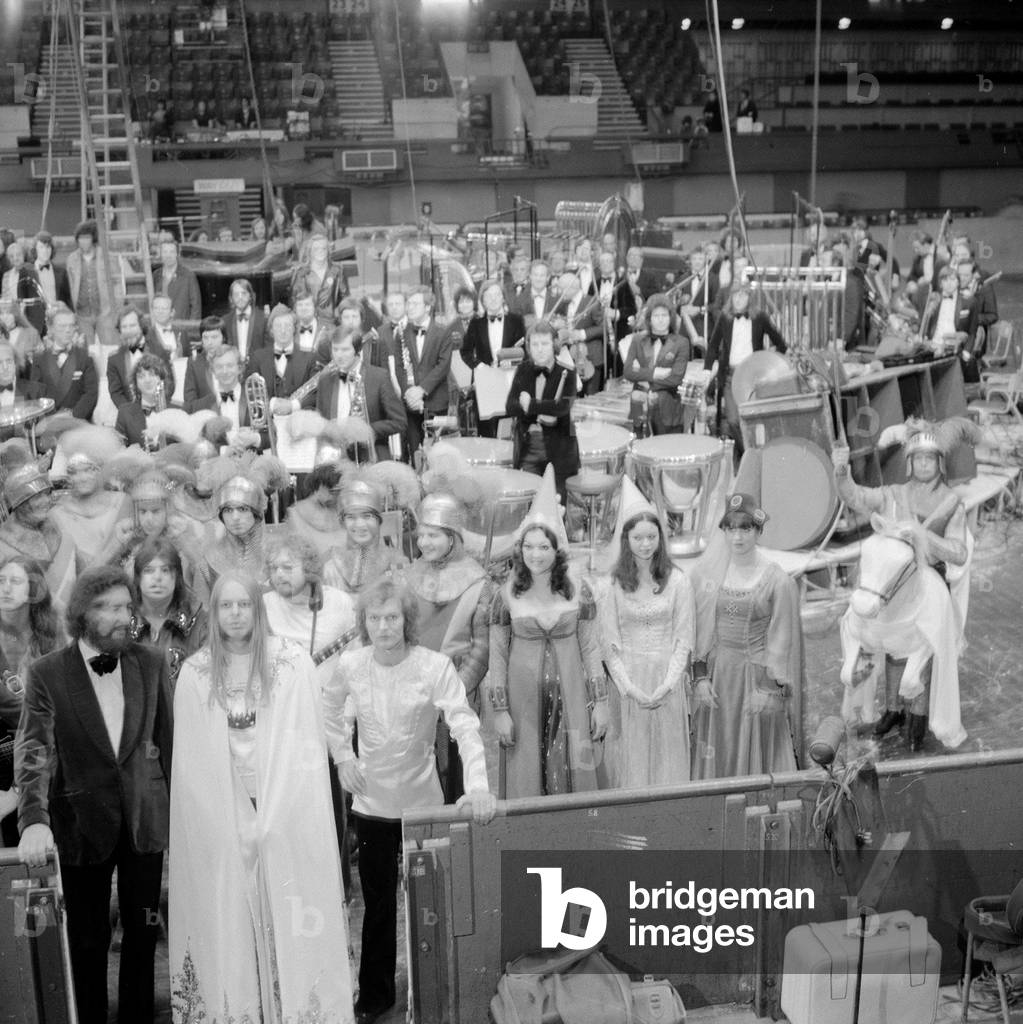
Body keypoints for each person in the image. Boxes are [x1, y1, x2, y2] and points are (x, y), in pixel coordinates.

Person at [169, 573, 354, 1024]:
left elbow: (305, 746)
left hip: (285, 807)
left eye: (244, 605)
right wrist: (223, 817)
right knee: (233, 912)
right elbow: (191, 762)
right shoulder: (195, 672)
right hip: (223, 807)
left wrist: (278, 813)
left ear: (258, 608)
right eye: (225, 606)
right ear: (214, 613)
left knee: (290, 909)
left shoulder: (291, 662)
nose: (235, 615)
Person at [323, 577, 495, 1024]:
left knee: (429, 905)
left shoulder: (433, 666)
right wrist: (342, 757)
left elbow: (464, 725)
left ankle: (435, 993)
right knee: (377, 907)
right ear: (364, 622)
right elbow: (329, 710)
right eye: (374, 618)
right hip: (372, 806)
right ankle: (376, 996)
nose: (383, 627)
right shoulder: (350, 665)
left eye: (392, 617)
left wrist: (477, 786)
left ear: (406, 620)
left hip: (422, 808)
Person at [16, 565, 172, 1024]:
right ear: (83, 614)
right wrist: (34, 820)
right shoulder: (47, 673)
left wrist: (182, 816)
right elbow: (33, 752)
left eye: (126, 607)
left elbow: (170, 742)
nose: (122, 617)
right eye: (108, 608)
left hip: (145, 821)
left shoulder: (151, 662)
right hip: (79, 824)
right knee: (87, 941)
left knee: (144, 934)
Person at [832, 418, 974, 751]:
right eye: (918, 458)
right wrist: (841, 472)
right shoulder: (893, 494)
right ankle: (893, 709)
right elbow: (856, 497)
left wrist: (925, 537)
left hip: (929, 577)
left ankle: (918, 717)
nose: (923, 464)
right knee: (886, 642)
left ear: (940, 463)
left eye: (929, 459)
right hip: (892, 582)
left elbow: (959, 552)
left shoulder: (951, 503)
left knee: (924, 643)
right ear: (909, 462)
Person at [487, 470, 608, 798]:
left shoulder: (579, 591)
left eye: (543, 546)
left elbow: (591, 648)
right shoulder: (505, 595)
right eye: (528, 546)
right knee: (526, 774)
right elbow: (497, 657)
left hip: (572, 699)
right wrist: (500, 710)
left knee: (573, 772)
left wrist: (600, 703)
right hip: (522, 703)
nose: (535, 554)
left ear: (558, 550)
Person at [690, 493, 801, 780]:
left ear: (758, 531)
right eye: (731, 529)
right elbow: (699, 626)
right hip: (718, 678)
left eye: (746, 528)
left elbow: (782, 639)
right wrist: (700, 676)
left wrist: (767, 689)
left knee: (755, 755)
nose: (737, 537)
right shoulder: (710, 573)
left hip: (755, 679)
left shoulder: (777, 580)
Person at [599, 480, 694, 789]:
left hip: (667, 679)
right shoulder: (613, 585)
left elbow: (684, 639)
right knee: (633, 757)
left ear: (660, 539)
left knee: (668, 757)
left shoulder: (678, 581)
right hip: (629, 681)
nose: (645, 545)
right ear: (626, 539)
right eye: (637, 538)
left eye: (651, 537)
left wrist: (668, 684)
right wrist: (629, 689)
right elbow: (608, 645)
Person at [408, 492, 493, 802]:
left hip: (458, 694)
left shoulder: (478, 582)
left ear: (452, 537)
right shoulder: (410, 576)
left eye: (433, 535)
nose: (424, 543)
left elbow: (481, 649)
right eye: (421, 535)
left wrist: (454, 691)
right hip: (414, 694)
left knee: (453, 776)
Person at [0, 556, 64, 846]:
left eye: (15, 581)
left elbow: (59, 701)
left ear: (33, 590)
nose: (5, 588)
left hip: (42, 752)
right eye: (1, 580)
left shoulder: (51, 635)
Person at [286, 327, 406, 464]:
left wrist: (366, 430)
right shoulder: (325, 380)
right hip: (334, 461)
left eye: (345, 350)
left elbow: (400, 422)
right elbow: (322, 419)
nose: (339, 355)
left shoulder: (379, 377)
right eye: (335, 349)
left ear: (357, 350)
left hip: (372, 459)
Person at [703, 286, 786, 460]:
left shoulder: (760, 317)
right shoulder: (724, 318)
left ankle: (753, 457)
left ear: (750, 298)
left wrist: (769, 363)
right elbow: (713, 345)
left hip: (753, 377)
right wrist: (707, 369)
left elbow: (780, 342)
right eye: (735, 296)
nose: (738, 299)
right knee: (733, 420)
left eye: (743, 295)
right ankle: (752, 456)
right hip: (730, 375)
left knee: (752, 418)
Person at [506, 321, 580, 502]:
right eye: (535, 344)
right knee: (530, 505)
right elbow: (510, 406)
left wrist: (530, 405)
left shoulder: (568, 373)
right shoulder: (522, 370)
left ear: (554, 345)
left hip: (560, 453)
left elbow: (562, 408)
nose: (539, 349)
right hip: (528, 449)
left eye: (545, 344)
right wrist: (543, 406)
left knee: (556, 506)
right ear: (529, 347)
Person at [129, 536, 206, 688]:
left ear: (177, 577)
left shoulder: (199, 621)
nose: (157, 577)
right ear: (138, 577)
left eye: (165, 570)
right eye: (149, 570)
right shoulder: (123, 620)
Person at [48, 425, 129, 568]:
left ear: (103, 469)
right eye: (73, 472)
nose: (81, 478)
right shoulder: (58, 515)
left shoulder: (122, 502)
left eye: (89, 470)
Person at [0, 462, 77, 610]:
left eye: (47, 494)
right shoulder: (3, 545)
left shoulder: (57, 527)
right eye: (37, 497)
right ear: (18, 503)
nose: (46, 501)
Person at [392, 286, 454, 461]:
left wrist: (422, 390)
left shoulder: (443, 332)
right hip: (411, 404)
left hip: (436, 400)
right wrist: (409, 393)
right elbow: (399, 367)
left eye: (415, 304)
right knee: (415, 453)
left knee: (438, 454)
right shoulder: (402, 333)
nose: (410, 307)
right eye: (409, 303)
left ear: (427, 307)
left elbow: (443, 366)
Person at [459, 280, 525, 437]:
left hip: (510, 380)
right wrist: (480, 367)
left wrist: (511, 362)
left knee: (509, 427)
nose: (493, 299)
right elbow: (465, 351)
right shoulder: (476, 323)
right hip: (486, 382)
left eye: (497, 294)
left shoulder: (516, 320)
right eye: (488, 296)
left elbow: (524, 351)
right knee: (487, 430)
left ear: (503, 297)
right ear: (482, 300)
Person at [195, 473, 271, 607]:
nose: (235, 517)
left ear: (256, 513)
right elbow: (202, 613)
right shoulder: (207, 562)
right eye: (228, 510)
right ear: (221, 515)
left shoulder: (275, 558)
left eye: (243, 509)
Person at [623, 292, 693, 436]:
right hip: (640, 407)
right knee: (641, 446)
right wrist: (654, 373)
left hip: (669, 409)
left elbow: (676, 378)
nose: (660, 320)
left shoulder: (682, 342)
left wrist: (645, 381)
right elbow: (628, 371)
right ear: (649, 318)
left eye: (664, 315)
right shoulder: (637, 339)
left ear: (671, 317)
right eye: (656, 316)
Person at [323, 479, 408, 594]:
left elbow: (402, 600)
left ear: (379, 520)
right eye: (351, 517)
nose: (360, 524)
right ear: (342, 522)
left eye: (367, 516)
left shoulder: (396, 562)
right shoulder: (330, 565)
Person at [30, 307, 99, 420]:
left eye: (71, 326)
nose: (68, 330)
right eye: (62, 326)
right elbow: (35, 394)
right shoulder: (39, 359)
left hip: (78, 421)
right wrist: (50, 418)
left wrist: (73, 416)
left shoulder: (85, 357)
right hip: (48, 421)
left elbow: (91, 393)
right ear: (50, 328)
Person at [107, 304, 174, 410]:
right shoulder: (114, 359)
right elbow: (116, 393)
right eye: (124, 327)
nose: (128, 331)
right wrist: (130, 412)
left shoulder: (159, 351)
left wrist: (155, 408)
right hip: (130, 413)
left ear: (142, 326)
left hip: (159, 410)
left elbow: (169, 384)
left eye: (132, 326)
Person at [66, 219, 118, 349]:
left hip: (104, 313)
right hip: (82, 315)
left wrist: (116, 306)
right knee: (86, 352)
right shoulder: (71, 259)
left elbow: (117, 283)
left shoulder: (106, 256)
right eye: (81, 238)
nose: (83, 241)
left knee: (110, 349)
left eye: (87, 238)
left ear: (93, 238)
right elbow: (69, 286)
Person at [284, 460, 351, 558]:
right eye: (331, 491)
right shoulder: (296, 513)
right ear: (318, 485)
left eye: (338, 492)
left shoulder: (342, 512)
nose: (334, 497)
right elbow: (296, 551)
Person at [18, 232, 72, 338]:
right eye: (41, 247)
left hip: (57, 322)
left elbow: (67, 299)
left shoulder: (61, 271)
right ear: (35, 250)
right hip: (35, 324)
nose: (45, 251)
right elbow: (21, 300)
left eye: (48, 247)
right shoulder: (26, 271)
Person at [114, 354, 175, 448]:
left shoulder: (176, 411)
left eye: (152, 374)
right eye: (141, 376)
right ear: (136, 383)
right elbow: (119, 449)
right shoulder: (125, 413)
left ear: (161, 379)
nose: (147, 380)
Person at [290, 232, 346, 316]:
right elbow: (295, 300)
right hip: (307, 318)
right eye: (316, 249)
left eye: (324, 248)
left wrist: (338, 314)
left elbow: (345, 298)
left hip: (330, 319)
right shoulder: (300, 272)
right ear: (309, 251)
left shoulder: (337, 270)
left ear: (328, 251)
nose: (320, 251)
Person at [154, 239, 202, 323]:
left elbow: (196, 306)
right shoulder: (155, 275)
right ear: (160, 254)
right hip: (160, 325)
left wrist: (192, 328)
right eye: (165, 252)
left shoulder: (188, 275)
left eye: (171, 252)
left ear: (177, 254)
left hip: (181, 325)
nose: (168, 255)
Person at [221, 278, 268, 364]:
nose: (240, 297)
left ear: (251, 296)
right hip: (233, 368)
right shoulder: (225, 320)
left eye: (244, 293)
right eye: (236, 294)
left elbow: (268, 348)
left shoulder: (263, 319)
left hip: (258, 367)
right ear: (231, 298)